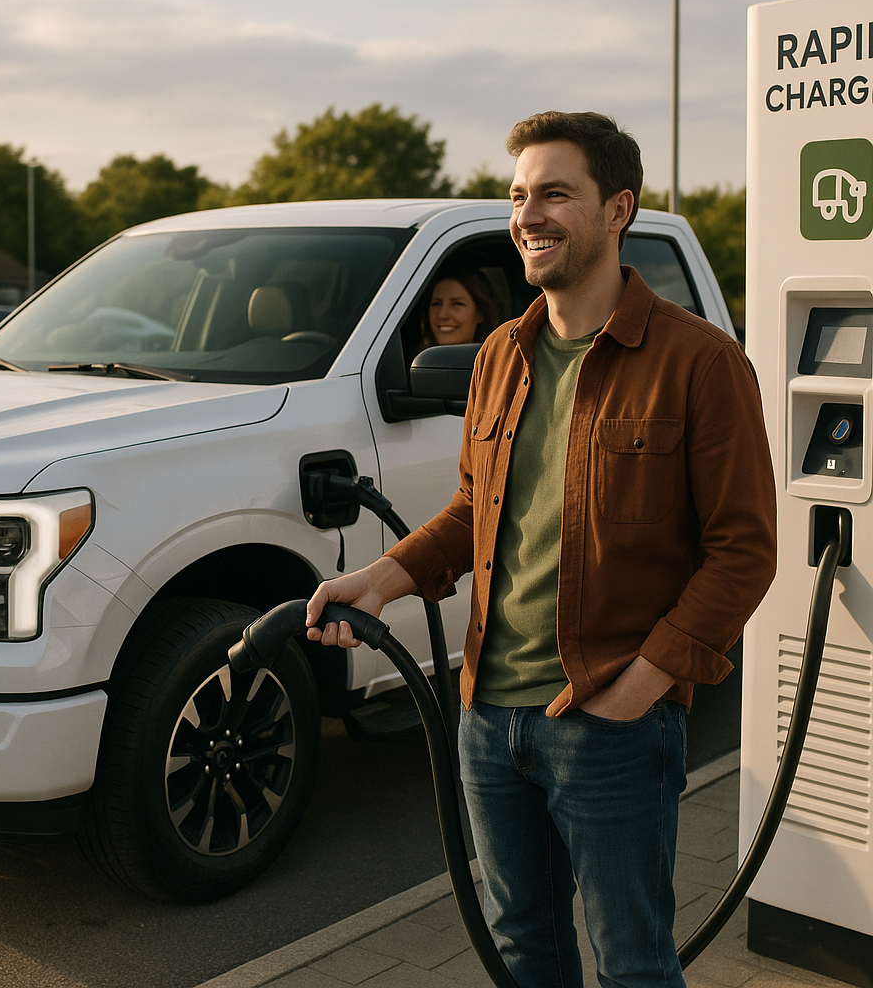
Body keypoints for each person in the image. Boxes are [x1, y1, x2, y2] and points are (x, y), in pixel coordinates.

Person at [307, 111, 777, 988]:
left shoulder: (701, 363)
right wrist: (383, 577)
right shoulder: (501, 353)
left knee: (633, 962)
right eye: (520, 195)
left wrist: (639, 690)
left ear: (617, 210)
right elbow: (475, 510)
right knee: (524, 948)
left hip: (609, 724)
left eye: (556, 193)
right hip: (487, 718)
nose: (529, 214)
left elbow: (743, 554)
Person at [419, 269, 500, 349]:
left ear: (480, 313)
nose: (442, 315)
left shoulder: (493, 361)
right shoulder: (415, 360)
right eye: (436, 304)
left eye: (457, 304)